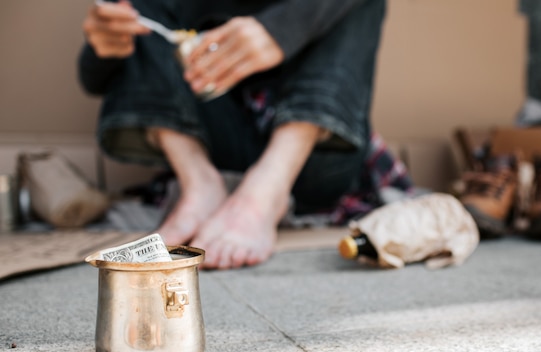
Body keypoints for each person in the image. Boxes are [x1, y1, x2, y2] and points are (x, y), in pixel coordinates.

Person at [79, 0, 392, 270]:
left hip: (312, 155)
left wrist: (282, 29)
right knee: (134, 5)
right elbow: (92, 78)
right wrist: (105, 43)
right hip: (212, 146)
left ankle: (265, 195)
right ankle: (200, 185)